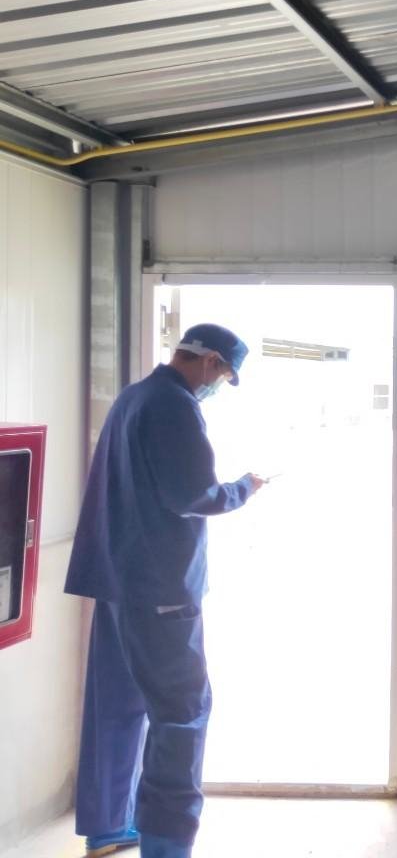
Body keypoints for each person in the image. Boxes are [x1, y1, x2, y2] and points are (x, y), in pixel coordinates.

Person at [65, 324, 268, 858]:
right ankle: (167, 844)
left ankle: (109, 826)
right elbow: (193, 495)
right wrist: (242, 489)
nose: (219, 385)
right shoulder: (175, 406)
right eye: (224, 374)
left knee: (117, 706)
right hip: (161, 592)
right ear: (210, 361)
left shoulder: (132, 398)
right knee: (182, 714)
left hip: (117, 582)